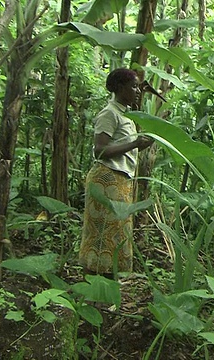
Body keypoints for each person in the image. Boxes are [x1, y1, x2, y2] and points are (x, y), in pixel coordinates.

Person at [79, 68, 153, 274]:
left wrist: (143, 143)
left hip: (120, 180)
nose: (138, 91)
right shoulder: (109, 113)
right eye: (134, 87)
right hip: (107, 179)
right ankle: (92, 285)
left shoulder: (125, 114)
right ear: (120, 88)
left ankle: (106, 287)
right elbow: (100, 150)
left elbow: (123, 146)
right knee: (102, 235)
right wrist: (134, 144)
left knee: (117, 234)